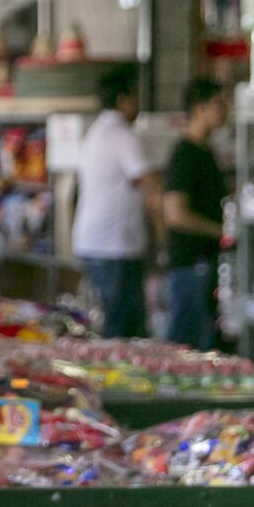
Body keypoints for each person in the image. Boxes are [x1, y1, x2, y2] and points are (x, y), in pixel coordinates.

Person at [73, 65, 160, 338]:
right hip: (113, 247)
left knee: (119, 319)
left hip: (100, 243)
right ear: (124, 99)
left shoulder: (98, 132)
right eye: (135, 97)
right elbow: (150, 181)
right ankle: (115, 381)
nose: (138, 104)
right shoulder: (121, 134)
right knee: (122, 325)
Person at [163, 78, 231, 350]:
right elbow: (175, 214)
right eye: (218, 103)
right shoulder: (185, 154)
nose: (224, 109)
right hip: (192, 265)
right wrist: (223, 232)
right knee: (185, 345)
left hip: (205, 263)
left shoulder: (206, 151)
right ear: (199, 109)